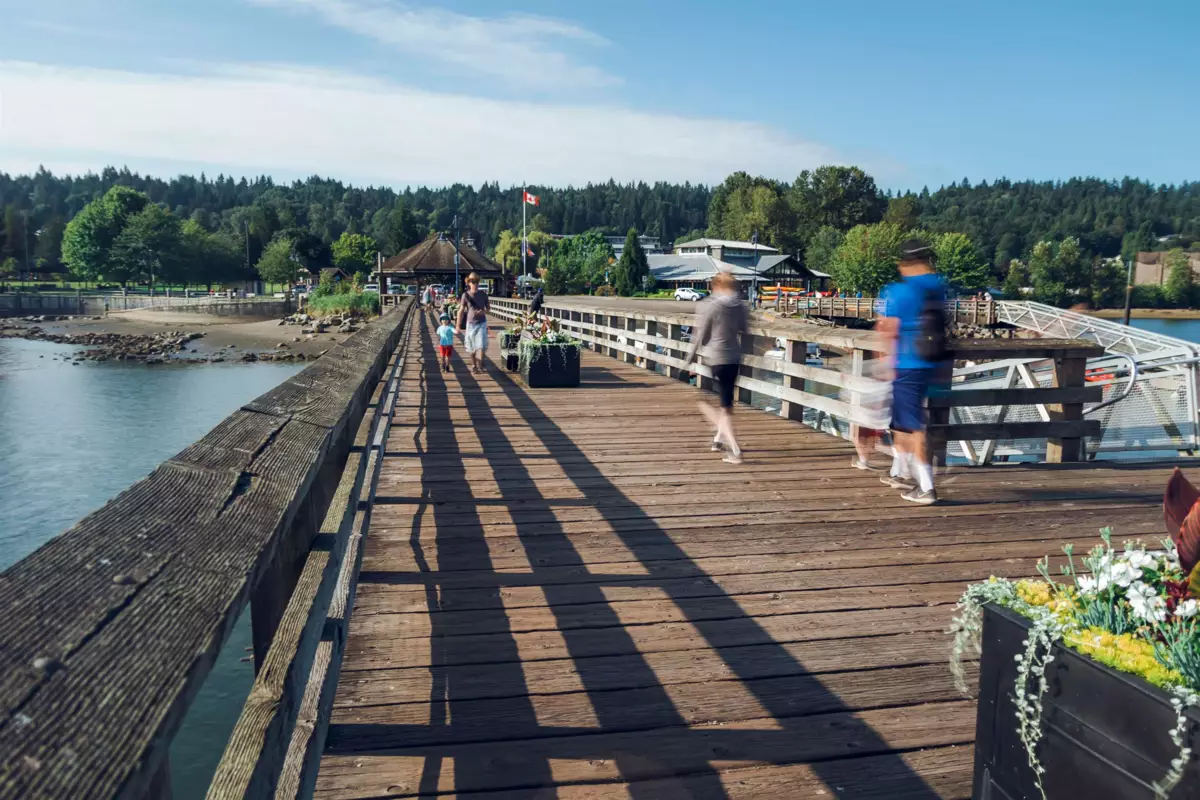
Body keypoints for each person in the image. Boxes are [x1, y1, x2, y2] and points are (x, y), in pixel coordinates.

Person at [877, 239, 949, 505]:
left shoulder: (898, 292)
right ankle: (900, 471)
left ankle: (926, 487)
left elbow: (889, 329)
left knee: (914, 425)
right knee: (904, 420)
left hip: (907, 363)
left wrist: (885, 363)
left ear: (904, 264)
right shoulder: (939, 286)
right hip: (933, 361)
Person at [685, 271, 749, 464]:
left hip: (718, 359)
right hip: (734, 359)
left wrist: (689, 359)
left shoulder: (710, 306)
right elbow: (746, 331)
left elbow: (701, 335)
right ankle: (718, 441)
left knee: (724, 407)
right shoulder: (740, 306)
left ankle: (735, 451)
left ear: (717, 286)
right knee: (726, 403)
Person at [457, 272, 491, 374]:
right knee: (471, 347)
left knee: (480, 345)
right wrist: (458, 325)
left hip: (481, 323)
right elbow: (461, 310)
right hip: (470, 323)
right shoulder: (465, 295)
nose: (475, 283)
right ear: (469, 283)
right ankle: (474, 365)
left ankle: (480, 365)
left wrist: (483, 312)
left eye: (476, 281)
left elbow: (488, 309)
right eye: (472, 281)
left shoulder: (483, 294)